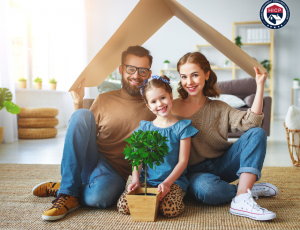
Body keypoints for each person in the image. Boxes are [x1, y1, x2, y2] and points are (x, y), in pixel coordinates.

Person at [32, 46, 156, 221]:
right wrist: (78, 103)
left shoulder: (154, 105)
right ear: (121, 70)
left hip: (116, 172)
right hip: (92, 159)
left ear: (149, 74)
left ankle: (66, 188)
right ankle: (67, 193)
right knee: (83, 113)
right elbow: (81, 131)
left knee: (99, 199)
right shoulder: (104, 99)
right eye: (131, 69)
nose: (136, 75)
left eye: (142, 71)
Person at [171, 52, 278, 221]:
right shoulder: (170, 107)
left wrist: (260, 85)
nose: (189, 82)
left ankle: (242, 198)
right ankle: (245, 190)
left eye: (194, 75)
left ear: (206, 74)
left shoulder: (219, 107)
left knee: (257, 133)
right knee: (207, 191)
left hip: (222, 164)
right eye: (184, 76)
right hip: (193, 172)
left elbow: (251, 123)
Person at [117, 75, 198, 218]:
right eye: (153, 101)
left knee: (169, 210)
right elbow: (137, 159)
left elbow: (183, 161)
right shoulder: (144, 128)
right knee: (124, 207)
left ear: (171, 97)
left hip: (172, 181)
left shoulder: (182, 128)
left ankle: (179, 193)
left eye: (163, 98)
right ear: (148, 106)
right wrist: (135, 180)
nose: (159, 104)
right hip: (145, 180)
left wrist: (167, 184)